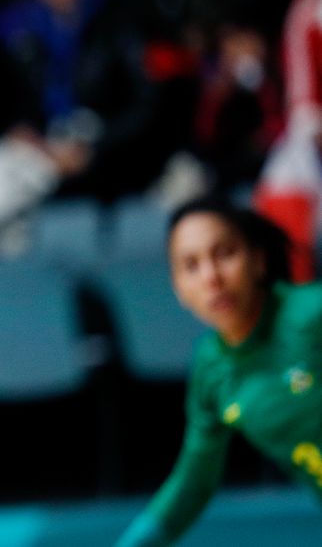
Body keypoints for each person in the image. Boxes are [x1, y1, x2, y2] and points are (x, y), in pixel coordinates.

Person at [117, 197, 322, 546]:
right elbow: (193, 482)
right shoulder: (211, 368)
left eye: (225, 253)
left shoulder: (310, 314)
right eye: (191, 265)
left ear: (257, 260)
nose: (211, 277)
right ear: (178, 288)